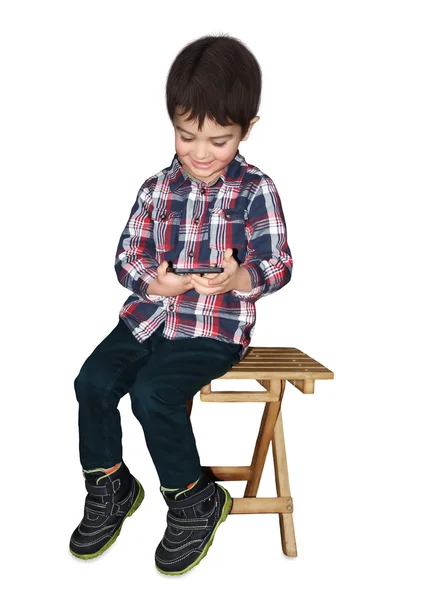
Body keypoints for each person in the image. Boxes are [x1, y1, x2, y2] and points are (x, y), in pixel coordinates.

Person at [69, 33, 293, 576]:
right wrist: (154, 284)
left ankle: (194, 498)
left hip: (214, 330)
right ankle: (110, 485)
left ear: (247, 130)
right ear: (173, 120)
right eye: (187, 134)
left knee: (152, 394)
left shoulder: (254, 191)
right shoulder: (155, 188)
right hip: (147, 320)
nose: (199, 152)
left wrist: (241, 275)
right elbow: (126, 258)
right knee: (92, 382)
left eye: (219, 140)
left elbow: (280, 262)